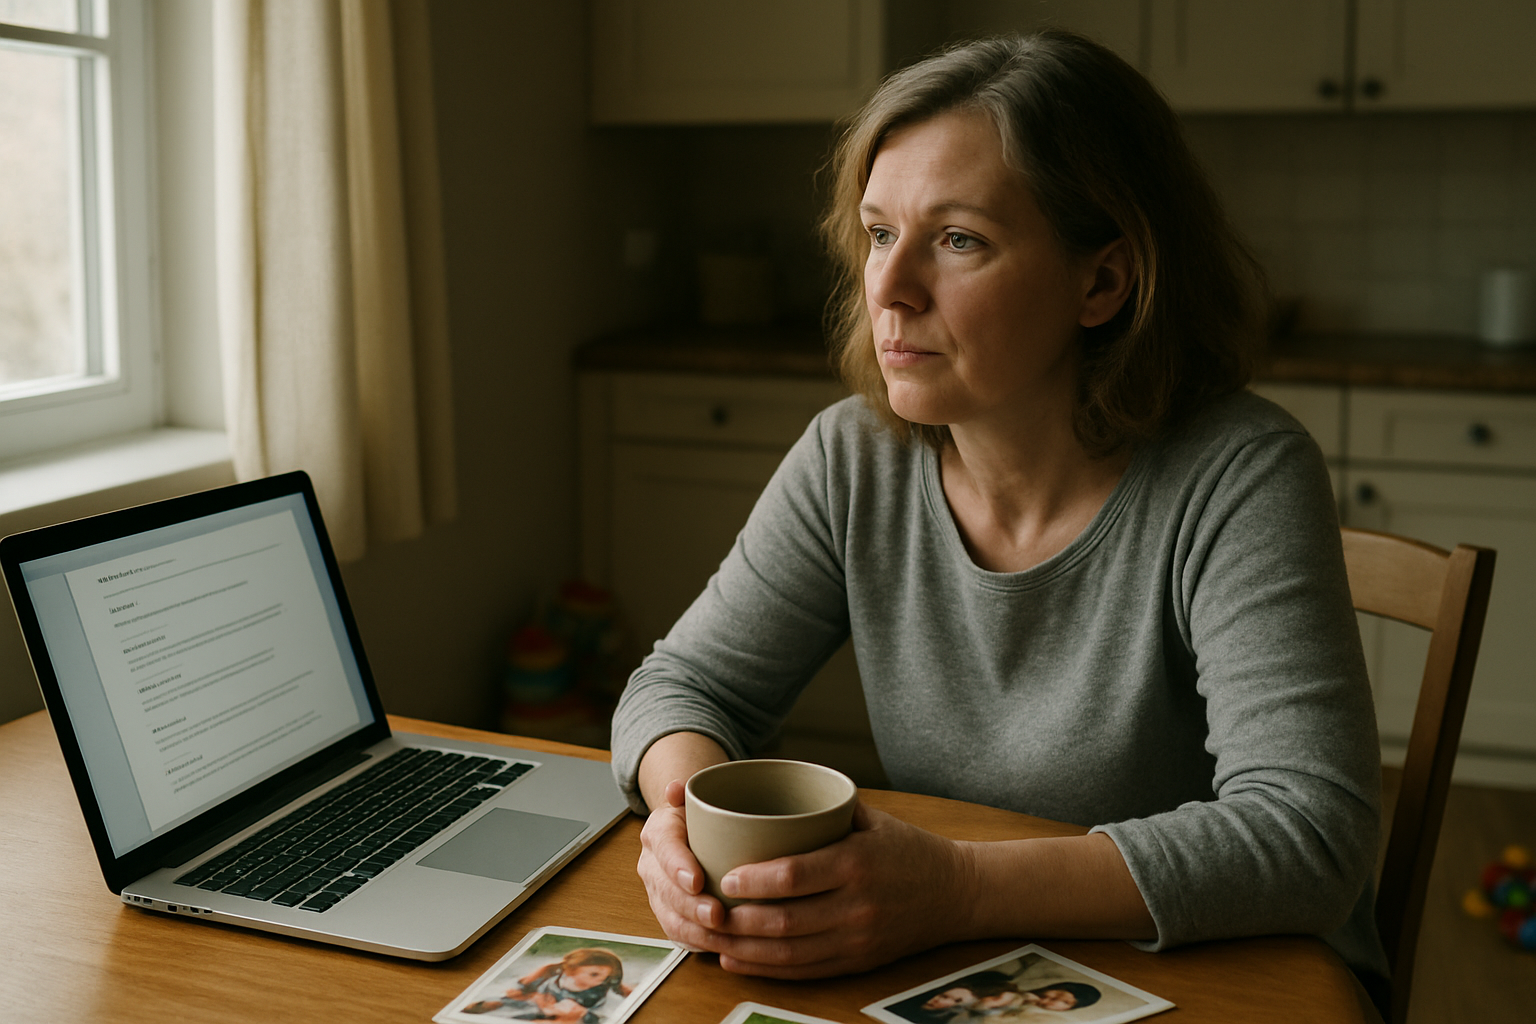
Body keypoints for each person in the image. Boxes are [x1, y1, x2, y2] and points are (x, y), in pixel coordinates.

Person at [609, 30, 1386, 989]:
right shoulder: (850, 458)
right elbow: (682, 684)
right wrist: (683, 826)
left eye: (959, 240)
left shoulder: (1241, 473)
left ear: (1102, 280)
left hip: (1230, 977)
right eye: (881, 233)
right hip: (958, 965)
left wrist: (960, 889)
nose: (888, 289)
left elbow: (1308, 836)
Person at [461, 947, 632, 1023]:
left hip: (566, 1009)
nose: (601, 980)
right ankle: (471, 1010)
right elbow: (526, 985)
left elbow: (624, 990)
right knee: (499, 1000)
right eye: (594, 974)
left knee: (538, 1016)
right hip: (537, 998)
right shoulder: (553, 971)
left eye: (605, 977)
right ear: (572, 970)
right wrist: (520, 992)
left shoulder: (598, 988)